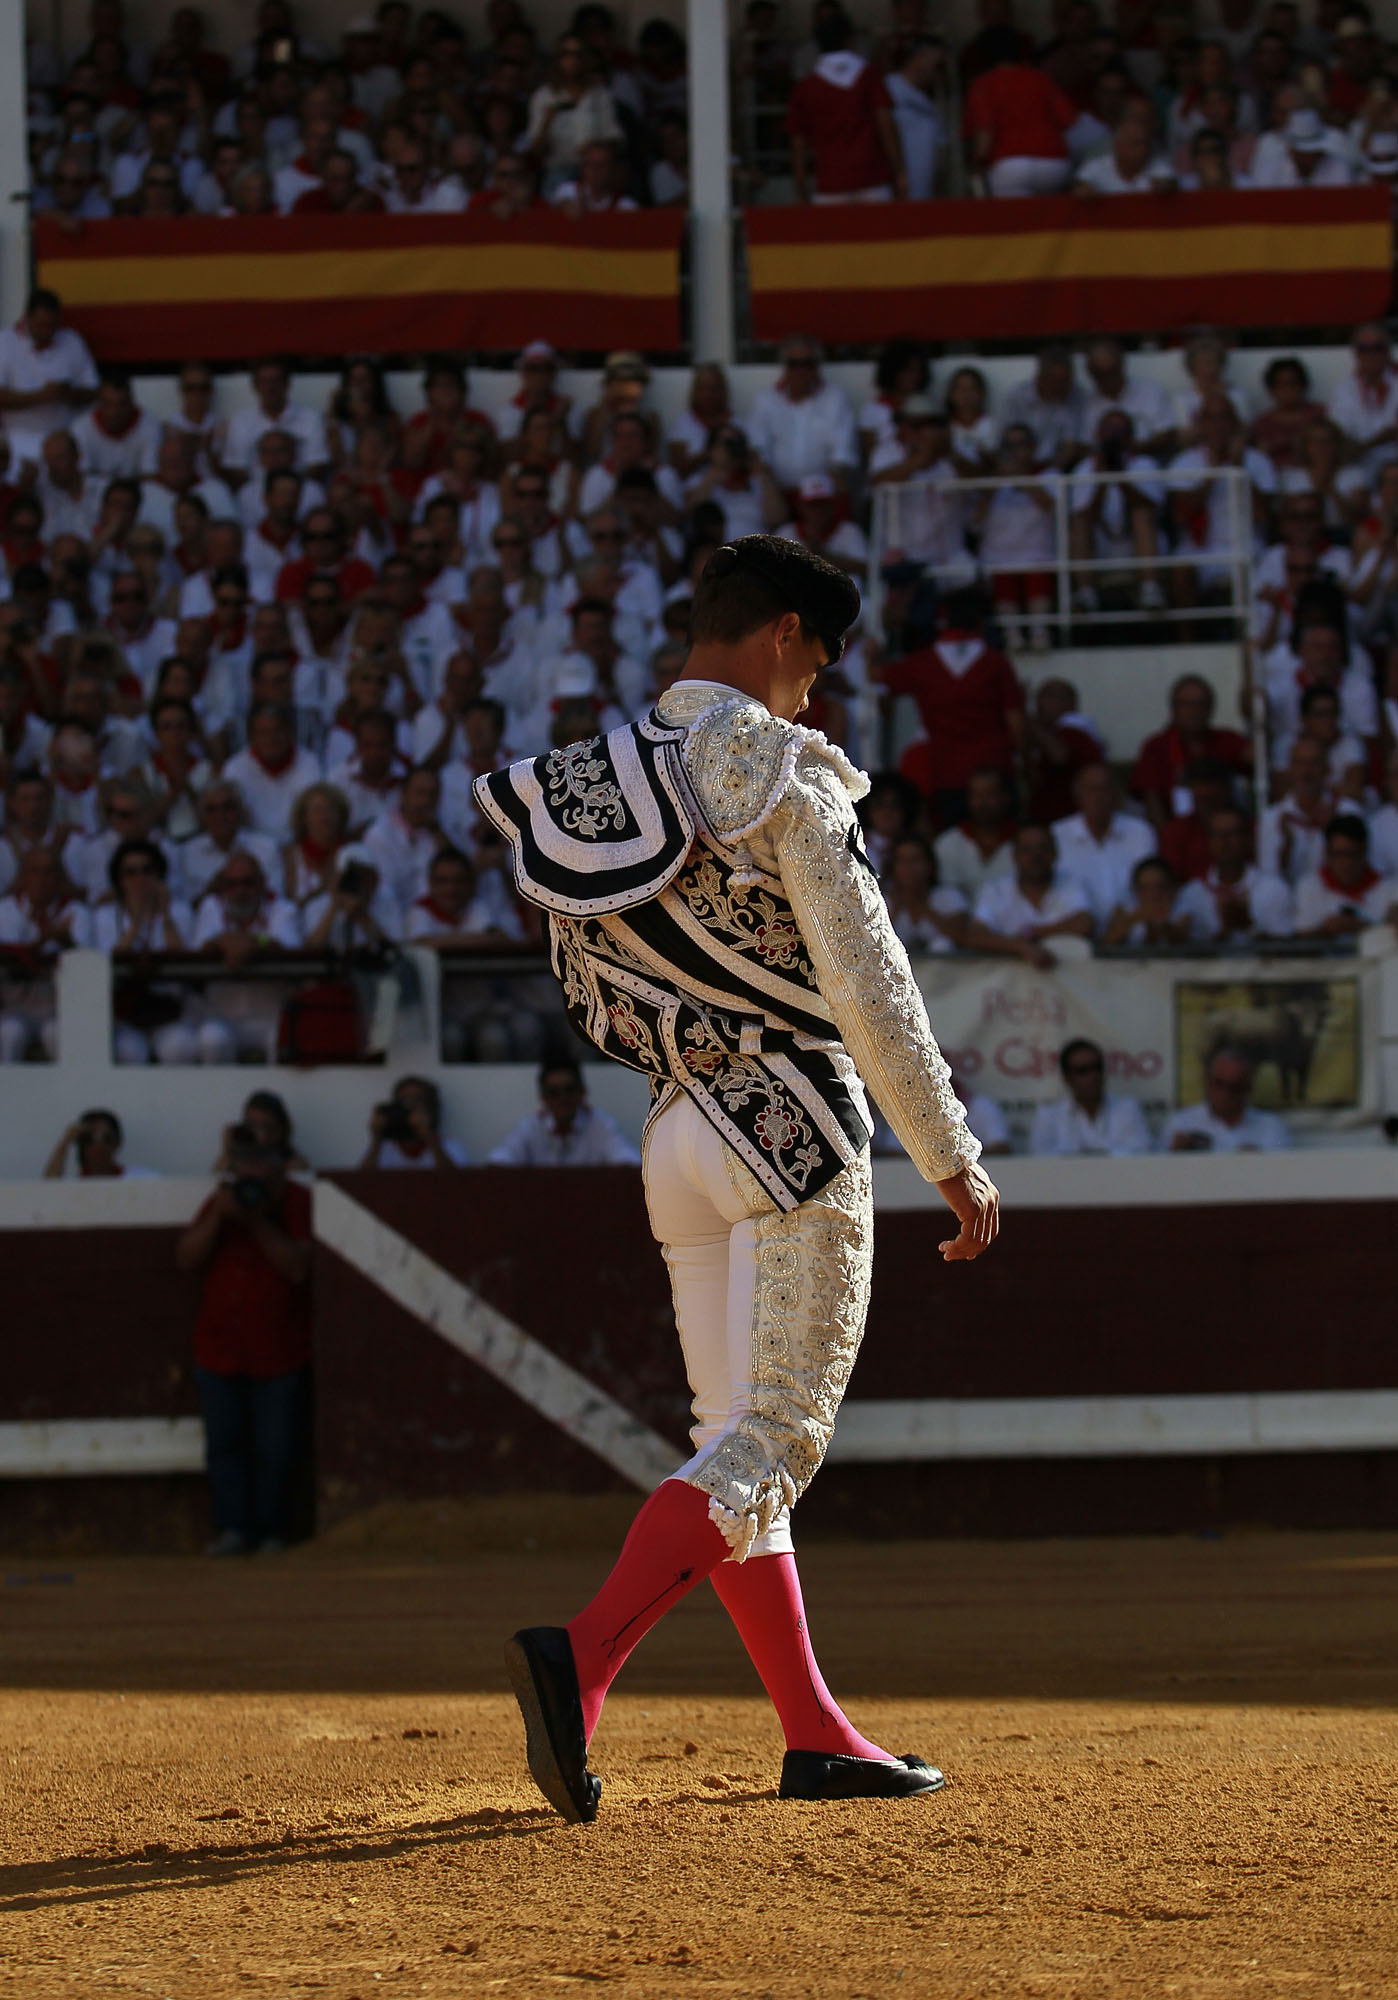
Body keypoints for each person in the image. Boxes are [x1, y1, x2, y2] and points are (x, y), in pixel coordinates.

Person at [475, 534, 997, 1821]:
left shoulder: (591, 782)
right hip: (790, 1126)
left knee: (730, 1442)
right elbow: (870, 981)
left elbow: (593, 994)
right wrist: (951, 1151)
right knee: (776, 1438)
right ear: (777, 637)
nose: (812, 693)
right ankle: (584, 1654)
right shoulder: (778, 770)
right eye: (812, 662)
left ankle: (816, 1732)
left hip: (675, 1129)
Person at [175, 1125, 313, 1556]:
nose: (250, 1180)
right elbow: (186, 1258)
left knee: (275, 1449)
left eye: (259, 1170)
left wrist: (257, 1222)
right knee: (226, 1447)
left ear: (276, 1172)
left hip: (278, 1350)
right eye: (244, 1170)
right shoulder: (223, 1201)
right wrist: (220, 1214)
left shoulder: (295, 1202)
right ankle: (233, 1530)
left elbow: (296, 1269)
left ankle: (272, 1532)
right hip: (220, 1348)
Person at [786, 6, 906, 202]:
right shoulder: (869, 76)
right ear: (850, 39)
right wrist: (900, 171)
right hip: (872, 179)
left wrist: (801, 192)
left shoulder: (805, 87)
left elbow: (797, 144)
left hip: (829, 184)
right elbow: (885, 123)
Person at [965, 823, 1094, 967]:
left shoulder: (1070, 883)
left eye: (1042, 848)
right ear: (1014, 856)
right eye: (1026, 849)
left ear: (1055, 853)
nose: (1035, 855)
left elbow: (1084, 924)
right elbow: (975, 936)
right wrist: (1021, 947)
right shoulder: (996, 891)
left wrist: (1033, 933)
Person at [1049, 763, 1158, 931]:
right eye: (1091, 789)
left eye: (1105, 789)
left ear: (1116, 794)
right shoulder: (1056, 835)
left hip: (1130, 936)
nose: (1098, 796)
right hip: (1073, 936)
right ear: (1077, 795)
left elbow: (1151, 888)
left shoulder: (1140, 832)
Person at [1174, 806, 1295, 941]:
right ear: (1209, 842)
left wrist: (1249, 927)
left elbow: (1289, 951)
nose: (1224, 842)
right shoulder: (1192, 893)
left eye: (1232, 834)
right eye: (1218, 835)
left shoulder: (1274, 889)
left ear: (1247, 839)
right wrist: (1224, 932)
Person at [489, 1059, 641, 1167]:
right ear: (543, 1098)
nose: (563, 1098)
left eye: (569, 1090)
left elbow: (628, 1162)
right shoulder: (532, 1127)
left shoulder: (600, 1125)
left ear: (582, 1093)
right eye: (553, 1092)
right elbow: (498, 1162)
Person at [1030, 1038, 1153, 1156]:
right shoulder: (1048, 1116)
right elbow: (1041, 1158)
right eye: (1083, 1070)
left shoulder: (1127, 1109)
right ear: (1066, 1077)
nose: (1093, 1076)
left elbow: (1141, 1153)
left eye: (1097, 1067)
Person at [1292, 813, 1398, 936]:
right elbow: (1299, 943)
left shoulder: (1389, 890)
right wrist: (1326, 930)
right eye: (1339, 854)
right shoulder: (1308, 887)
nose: (1346, 862)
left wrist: (1361, 927)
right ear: (1327, 853)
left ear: (1364, 852)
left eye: (1352, 854)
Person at [1162, 1050, 1290, 1151]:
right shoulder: (1181, 1124)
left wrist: (1257, 1163)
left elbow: (1282, 1175)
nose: (1225, 1093)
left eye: (1235, 1086)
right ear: (1207, 1082)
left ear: (1248, 1088)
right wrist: (1176, 1154)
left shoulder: (1271, 1127)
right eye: (1219, 1084)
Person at [360, 1073, 467, 1168]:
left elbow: (456, 1183)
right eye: (404, 1101)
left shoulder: (449, 1146)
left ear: (430, 1107)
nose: (410, 1106)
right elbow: (362, 1182)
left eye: (417, 1100)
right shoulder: (384, 1148)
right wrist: (377, 1138)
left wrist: (428, 1135)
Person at [43, 1107, 156, 1178]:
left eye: (106, 1139)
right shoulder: (72, 1184)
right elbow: (47, 1190)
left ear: (117, 1143)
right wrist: (66, 1141)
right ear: (81, 1144)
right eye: (89, 1140)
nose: (98, 1146)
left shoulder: (142, 1179)